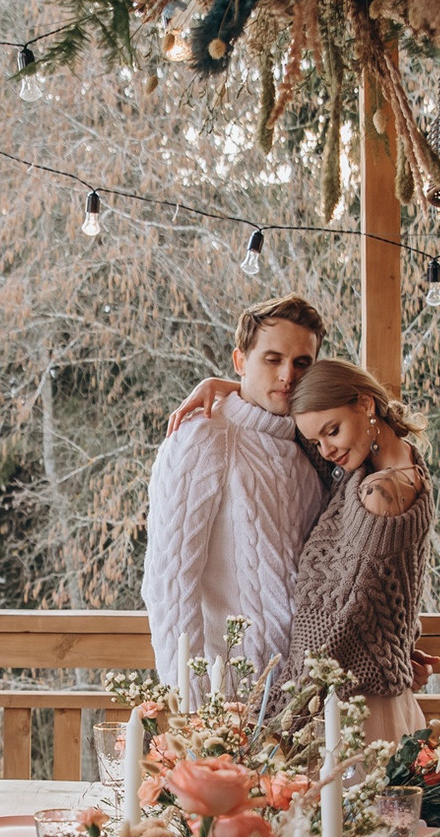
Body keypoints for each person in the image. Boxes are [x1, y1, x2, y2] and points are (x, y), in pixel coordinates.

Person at [141, 296, 330, 700]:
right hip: (224, 702)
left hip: (301, 700)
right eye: (272, 359)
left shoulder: (313, 448)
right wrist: (191, 710)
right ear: (240, 361)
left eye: (302, 363)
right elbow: (170, 584)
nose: (287, 376)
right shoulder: (203, 437)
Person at [285, 359, 433, 744]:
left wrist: (286, 716)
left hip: (353, 713)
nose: (326, 449)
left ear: (367, 404)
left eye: (332, 431)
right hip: (362, 697)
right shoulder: (388, 463)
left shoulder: (380, 494)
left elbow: (341, 620)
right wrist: (223, 386)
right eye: (318, 440)